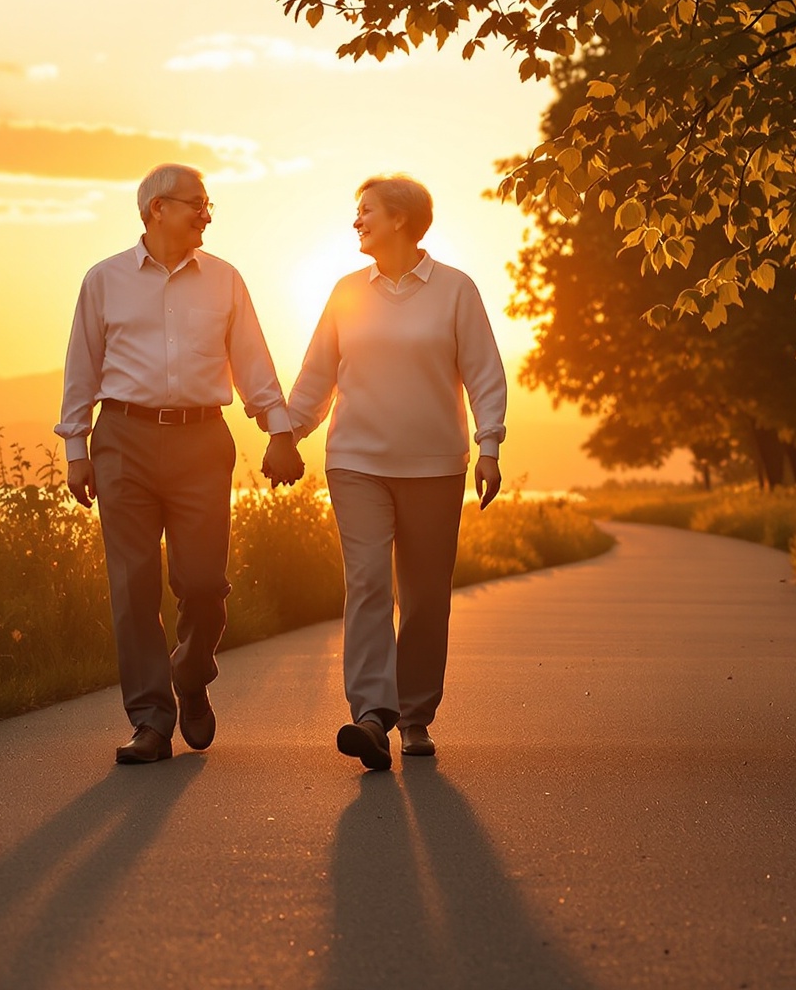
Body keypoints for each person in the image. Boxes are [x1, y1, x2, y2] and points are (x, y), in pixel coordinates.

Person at [58, 163, 305, 765]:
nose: (207, 213)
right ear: (156, 209)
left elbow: (252, 361)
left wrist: (279, 432)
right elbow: (82, 368)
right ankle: (150, 720)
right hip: (122, 439)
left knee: (202, 583)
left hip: (201, 441)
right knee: (132, 587)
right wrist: (76, 448)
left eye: (208, 202)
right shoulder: (105, 280)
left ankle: (191, 672)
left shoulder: (224, 280)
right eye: (197, 203)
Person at [287, 174, 508, 771]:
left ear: (402, 221)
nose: (356, 221)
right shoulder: (345, 292)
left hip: (436, 466)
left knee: (426, 596)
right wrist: (287, 433)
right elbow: (316, 377)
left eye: (366, 211)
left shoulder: (456, 290)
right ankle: (371, 716)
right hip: (356, 461)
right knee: (367, 583)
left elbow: (485, 372)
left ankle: (414, 717)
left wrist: (489, 445)